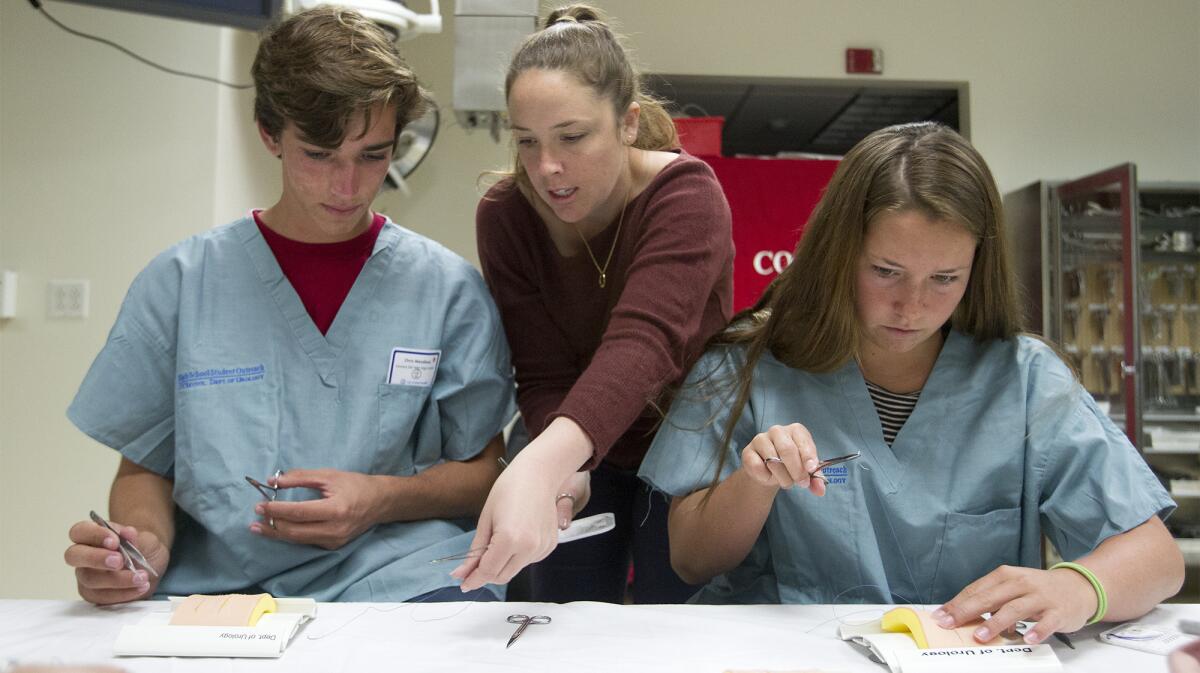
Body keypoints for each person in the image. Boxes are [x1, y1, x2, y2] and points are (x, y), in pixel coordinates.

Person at [638, 122, 1184, 642]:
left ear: (977, 269)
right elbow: (690, 559)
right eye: (886, 271)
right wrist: (752, 485)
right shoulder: (748, 365)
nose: (913, 306)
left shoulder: (1024, 381)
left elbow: (1157, 559)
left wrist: (1077, 586)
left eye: (945, 279)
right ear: (838, 255)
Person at [61, 6, 514, 604]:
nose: (347, 186)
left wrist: (381, 498)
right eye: (320, 155)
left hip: (401, 580)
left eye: (373, 155)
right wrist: (138, 552)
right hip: (224, 590)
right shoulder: (182, 284)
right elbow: (147, 469)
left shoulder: (446, 290)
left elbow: (484, 475)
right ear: (270, 133)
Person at [455, 4, 734, 602]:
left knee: (682, 622)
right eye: (527, 141)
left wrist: (540, 462)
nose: (546, 167)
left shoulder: (686, 195)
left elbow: (646, 344)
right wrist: (567, 471)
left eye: (572, 137)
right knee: (556, 618)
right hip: (577, 441)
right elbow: (542, 370)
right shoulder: (506, 217)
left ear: (628, 123)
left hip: (686, 442)